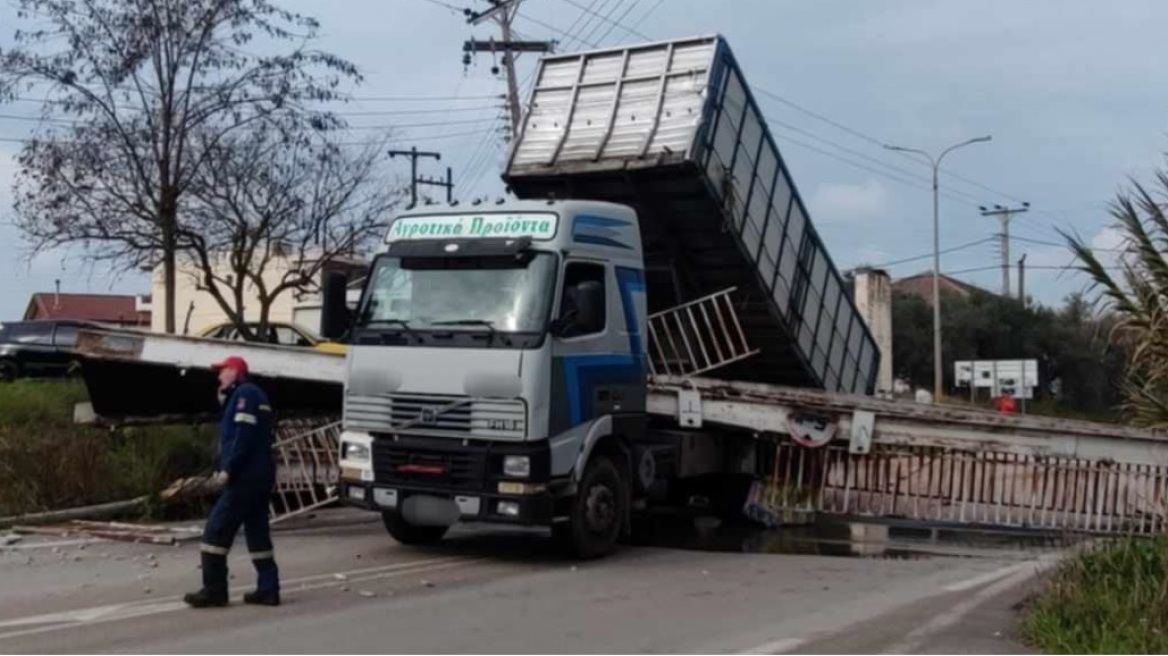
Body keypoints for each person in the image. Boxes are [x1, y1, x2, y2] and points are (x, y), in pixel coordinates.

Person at [184, 356, 280, 608]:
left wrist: (228, 469)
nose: (218, 377)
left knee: (216, 529)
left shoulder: (245, 395)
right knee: (257, 533)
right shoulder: (252, 394)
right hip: (260, 475)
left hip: (245, 477)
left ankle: (214, 590)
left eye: (222, 371)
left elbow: (241, 437)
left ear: (235, 371)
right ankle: (268, 589)